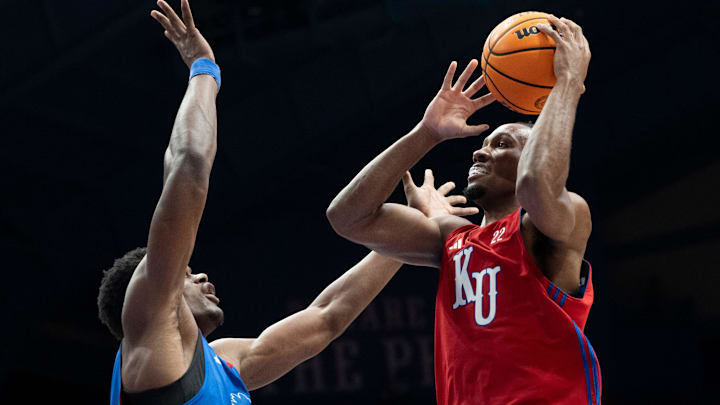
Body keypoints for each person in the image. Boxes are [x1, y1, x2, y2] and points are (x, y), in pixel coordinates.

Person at [96, 2, 476, 403]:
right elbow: (189, 167)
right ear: (149, 291)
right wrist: (204, 69)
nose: (202, 277)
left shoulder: (224, 361)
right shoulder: (151, 333)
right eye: (187, 274)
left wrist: (418, 229)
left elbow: (327, 317)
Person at [327, 15, 601, 405]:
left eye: (503, 143)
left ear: (534, 155)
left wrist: (568, 84)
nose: (480, 149)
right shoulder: (452, 241)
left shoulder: (561, 219)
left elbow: (536, 184)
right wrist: (426, 133)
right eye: (484, 142)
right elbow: (346, 217)